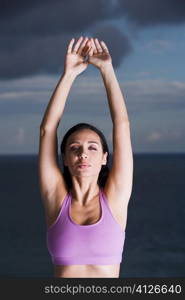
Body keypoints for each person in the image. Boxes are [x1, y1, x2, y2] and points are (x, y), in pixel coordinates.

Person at [38, 36, 133, 278]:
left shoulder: (116, 197)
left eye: (92, 148)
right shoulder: (56, 198)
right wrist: (69, 74)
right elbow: (48, 130)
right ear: (66, 159)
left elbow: (121, 125)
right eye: (74, 148)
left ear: (104, 157)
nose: (83, 153)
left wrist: (107, 70)